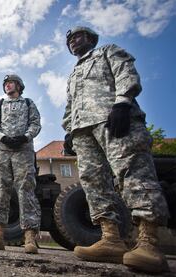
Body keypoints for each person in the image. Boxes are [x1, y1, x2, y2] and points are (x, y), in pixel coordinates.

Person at [62, 26, 169, 273]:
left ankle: (149, 242)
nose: (73, 42)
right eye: (69, 41)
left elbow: (126, 72)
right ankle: (111, 238)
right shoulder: (73, 74)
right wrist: (69, 129)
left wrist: (122, 103)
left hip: (113, 119)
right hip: (83, 131)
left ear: (89, 38)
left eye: (77, 36)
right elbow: (70, 106)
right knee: (92, 181)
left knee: (132, 170)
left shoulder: (107, 52)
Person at [0, 74, 41, 254]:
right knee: (1, 189)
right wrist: (3, 137)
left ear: (19, 85)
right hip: (2, 150)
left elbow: (35, 123)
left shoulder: (28, 103)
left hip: (23, 150)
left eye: (11, 83)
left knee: (26, 189)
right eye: (6, 84)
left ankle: (30, 237)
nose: (8, 86)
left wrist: (25, 137)